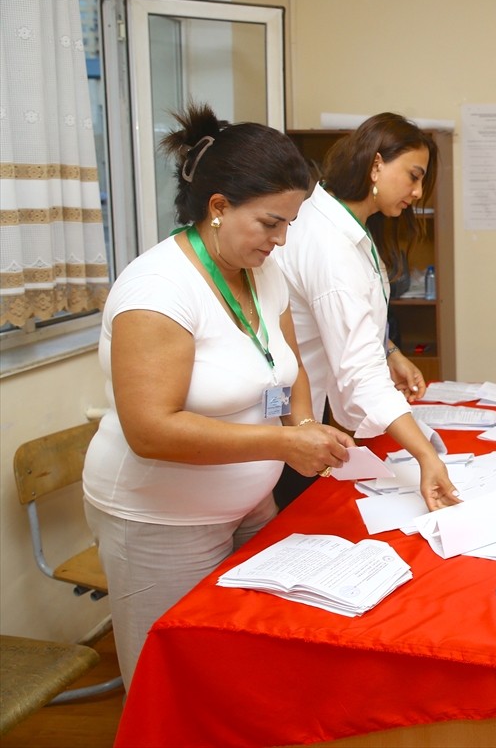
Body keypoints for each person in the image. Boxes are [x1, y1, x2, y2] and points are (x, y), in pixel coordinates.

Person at [82, 104, 355, 689]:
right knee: (174, 681)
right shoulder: (158, 290)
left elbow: (287, 367)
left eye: (290, 225)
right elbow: (151, 430)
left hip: (246, 505)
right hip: (161, 518)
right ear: (218, 208)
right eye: (270, 223)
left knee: (245, 664)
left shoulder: (261, 272)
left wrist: (302, 424)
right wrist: (282, 443)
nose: (281, 240)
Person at [275, 113, 458, 512]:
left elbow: (352, 311)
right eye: (413, 176)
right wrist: (426, 456)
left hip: (316, 400)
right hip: (297, 415)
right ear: (376, 164)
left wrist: (389, 351)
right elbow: (359, 372)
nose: (417, 191)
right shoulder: (330, 245)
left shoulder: (347, 225)